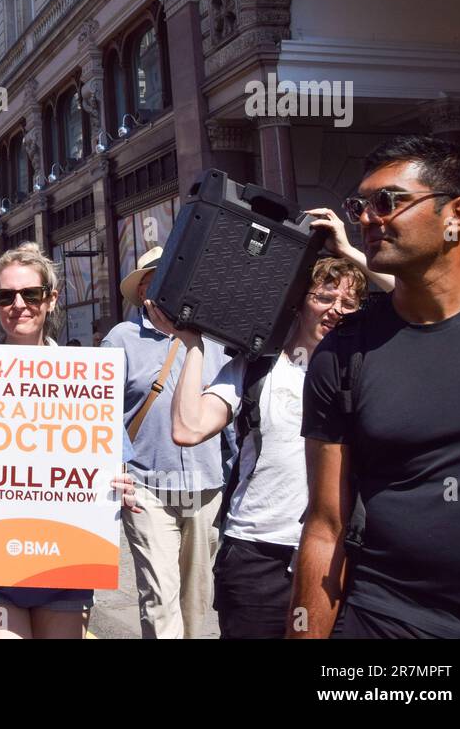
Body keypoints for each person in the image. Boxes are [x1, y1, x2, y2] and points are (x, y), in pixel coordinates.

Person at [292, 135, 460, 639]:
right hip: (388, 620)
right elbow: (325, 525)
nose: (367, 218)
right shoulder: (343, 355)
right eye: (359, 205)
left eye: (388, 202)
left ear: (456, 215)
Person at [158, 256, 371, 638]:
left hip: (336, 557)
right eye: (324, 297)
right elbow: (188, 428)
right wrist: (192, 345)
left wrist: (348, 247)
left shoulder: (362, 371)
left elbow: (420, 300)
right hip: (257, 552)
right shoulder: (259, 367)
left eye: (349, 303)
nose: (336, 310)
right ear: (299, 301)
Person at [100, 246, 231, 639]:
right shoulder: (121, 339)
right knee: (159, 596)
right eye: (158, 278)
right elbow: (101, 415)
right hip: (147, 488)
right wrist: (115, 470)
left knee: (197, 599)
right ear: (143, 291)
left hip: (206, 487)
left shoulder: (215, 338)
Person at [0, 243, 94, 638]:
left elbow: (110, 459)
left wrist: (120, 487)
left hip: (66, 566)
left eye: (30, 294)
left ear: (51, 298)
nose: (18, 305)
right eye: (5, 296)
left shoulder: (86, 375)